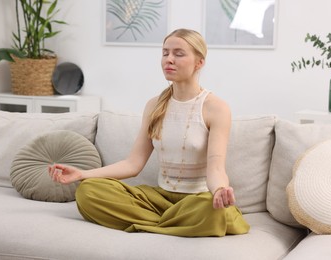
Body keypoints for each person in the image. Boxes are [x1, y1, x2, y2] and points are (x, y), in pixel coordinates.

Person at [49, 28, 250, 237]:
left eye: (178, 54)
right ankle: (173, 225)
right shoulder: (154, 105)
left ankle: (156, 225)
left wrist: (219, 190)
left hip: (196, 200)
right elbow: (132, 164)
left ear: (199, 62)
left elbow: (216, 168)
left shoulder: (216, 108)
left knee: (215, 210)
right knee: (88, 192)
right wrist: (82, 174)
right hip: (159, 200)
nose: (169, 59)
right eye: (165, 53)